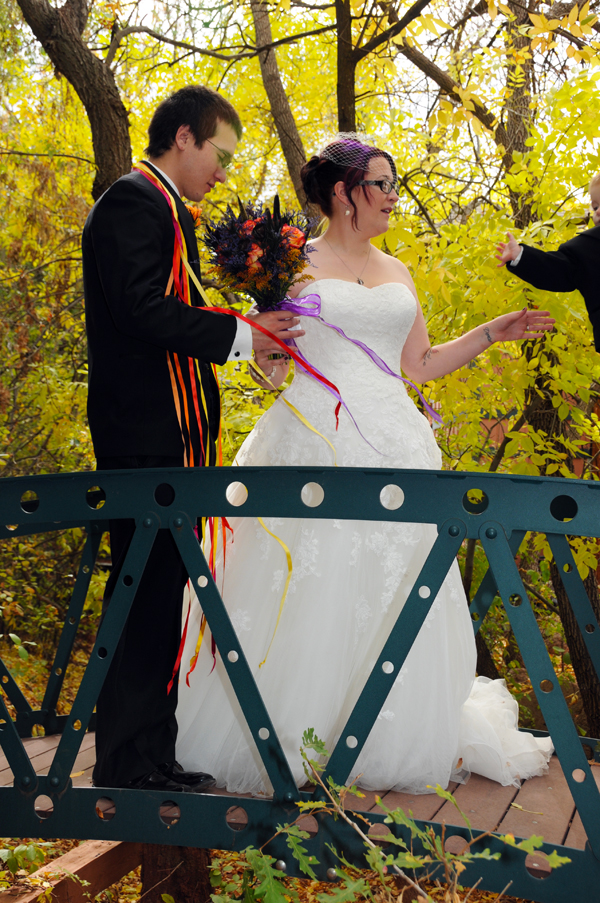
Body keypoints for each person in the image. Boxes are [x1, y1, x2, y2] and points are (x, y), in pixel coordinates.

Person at [174, 136, 555, 796]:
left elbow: (421, 365)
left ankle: (389, 733)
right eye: (383, 184)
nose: (393, 196)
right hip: (310, 440)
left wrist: (494, 330)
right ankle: (292, 734)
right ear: (346, 193)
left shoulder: (399, 270)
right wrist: (270, 362)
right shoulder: (288, 263)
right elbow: (269, 357)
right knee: (310, 584)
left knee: (397, 586)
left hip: (398, 447)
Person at [83, 85, 305, 792]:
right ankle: (127, 763)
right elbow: (145, 309)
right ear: (183, 136)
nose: (224, 171)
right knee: (145, 596)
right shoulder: (132, 202)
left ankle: (152, 758)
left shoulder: (165, 212)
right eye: (221, 153)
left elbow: (176, 309)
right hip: (143, 436)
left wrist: (253, 336)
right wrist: (244, 334)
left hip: (168, 438)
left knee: (160, 597)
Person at [496, 173, 600, 350]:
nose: (597, 211)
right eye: (595, 205)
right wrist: (520, 255)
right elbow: (555, 270)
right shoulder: (588, 247)